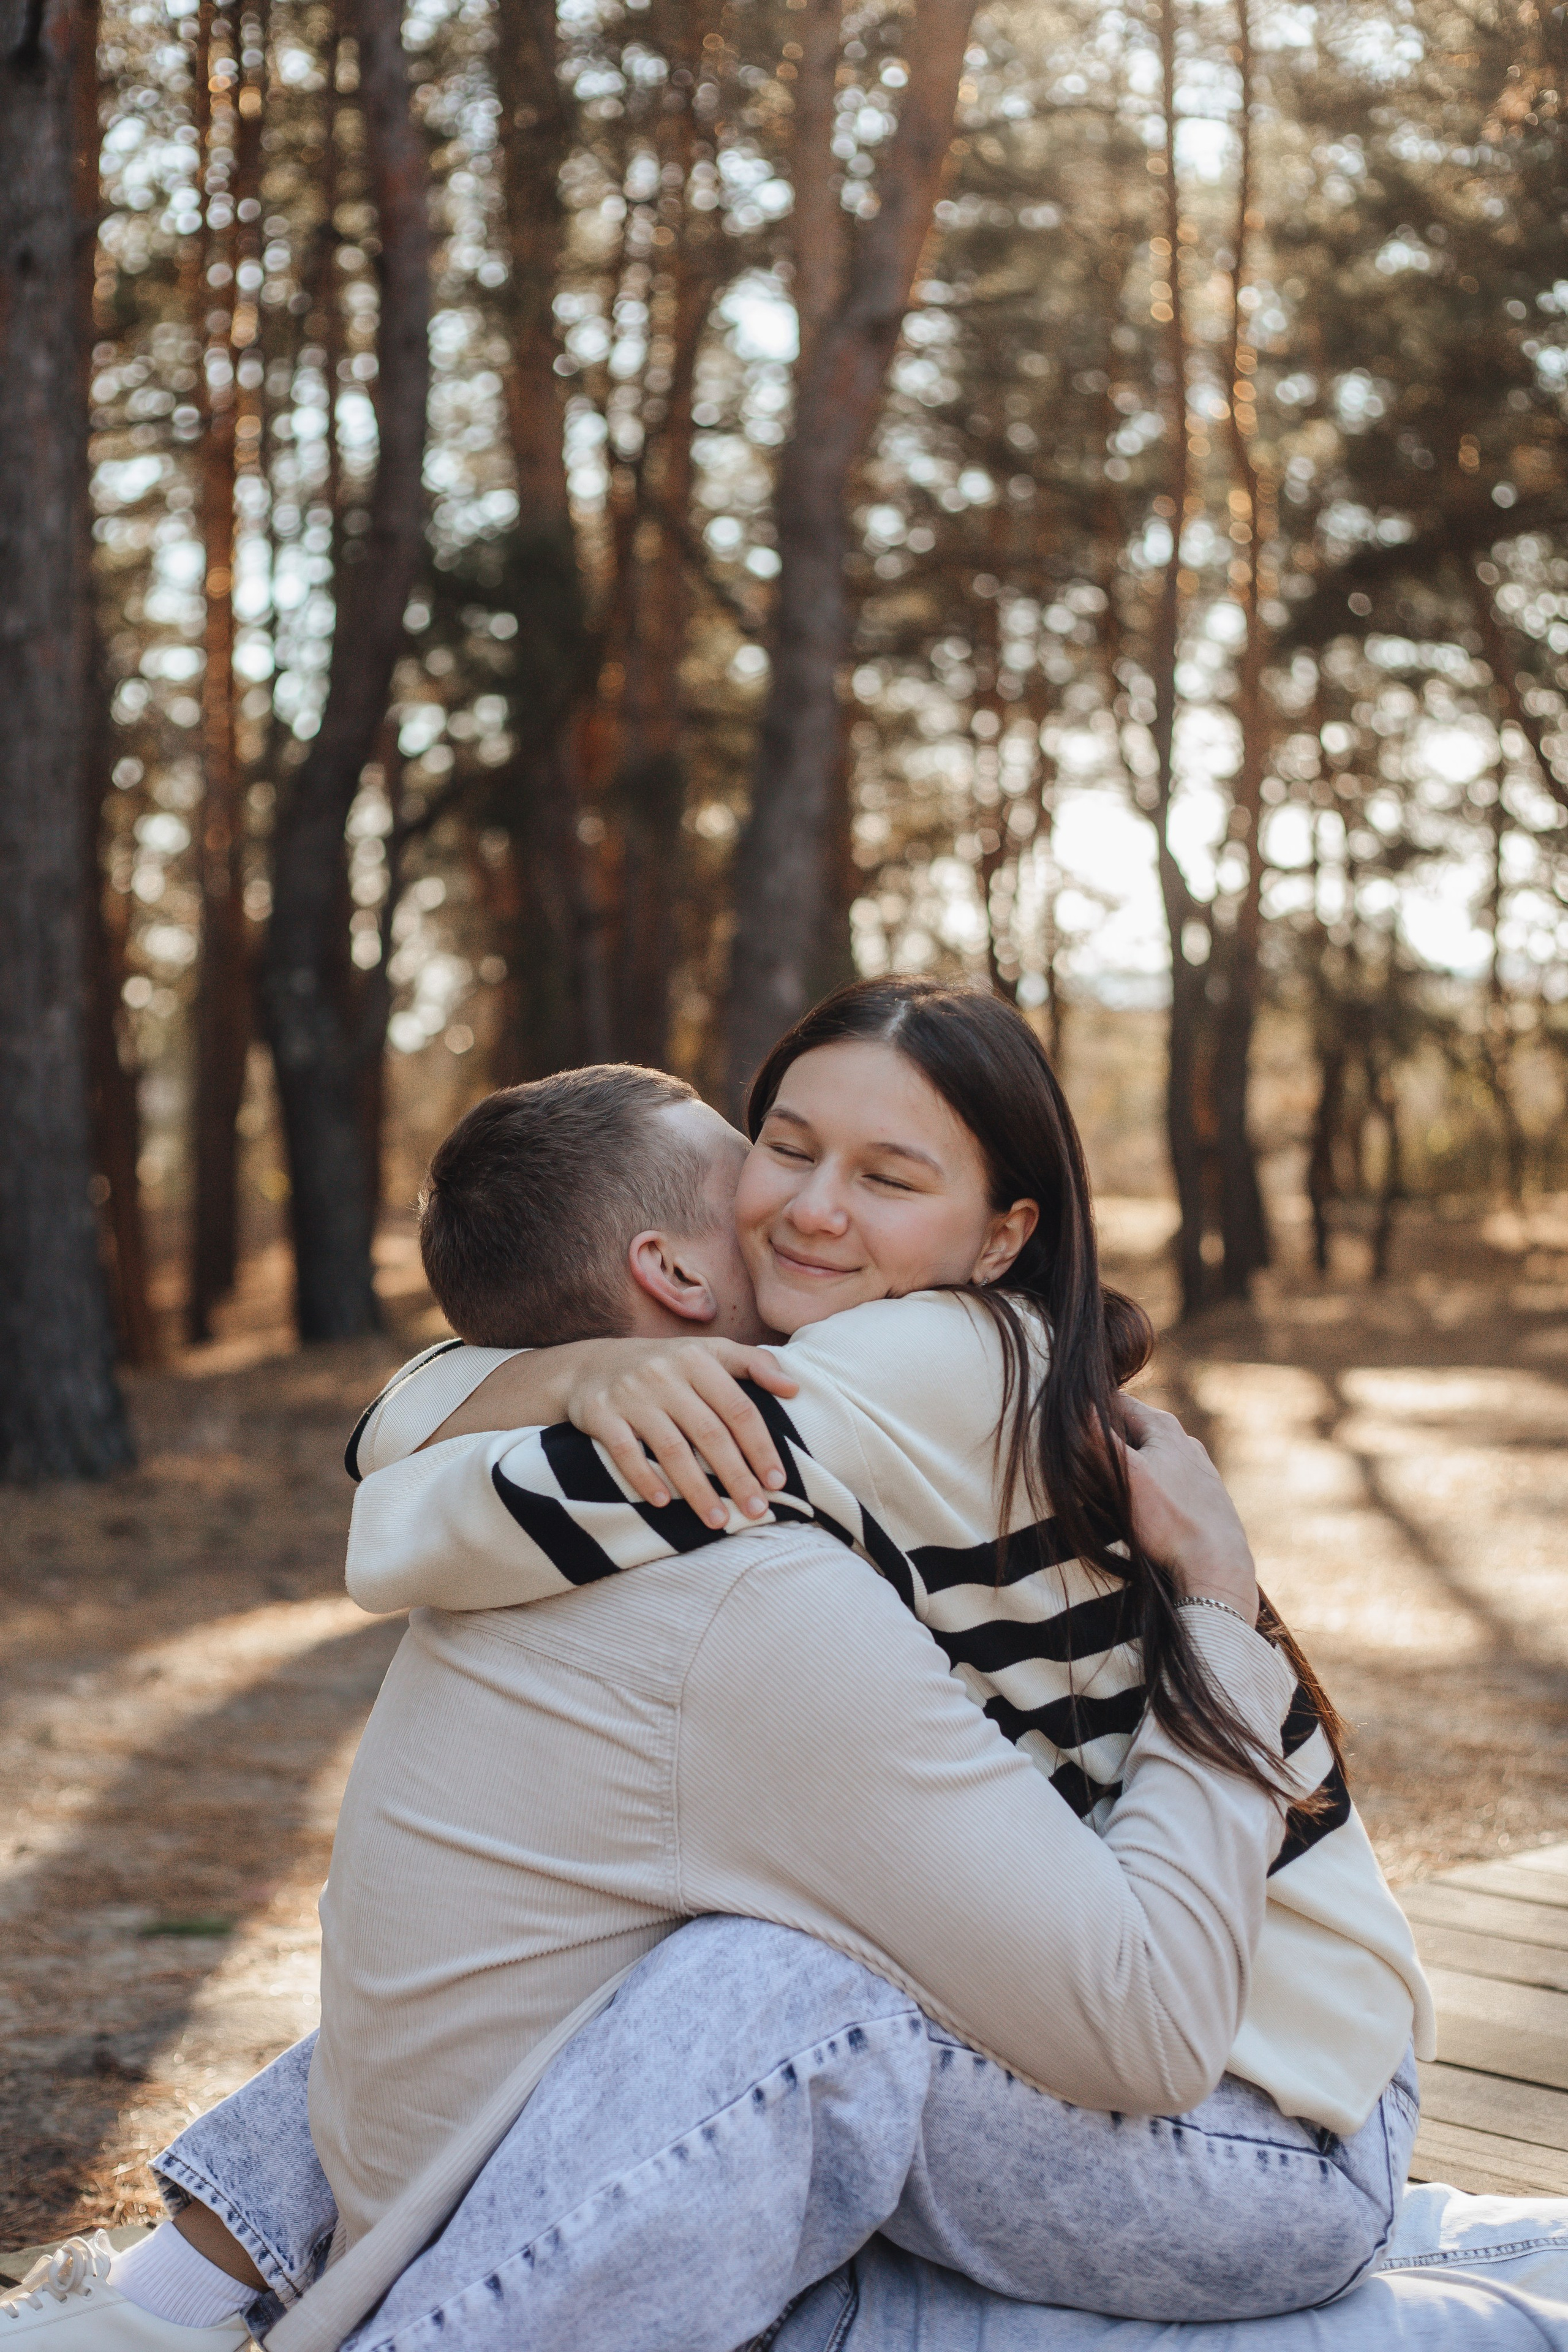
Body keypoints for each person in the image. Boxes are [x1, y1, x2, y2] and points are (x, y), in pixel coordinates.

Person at [12, 1023, 1565, 2352]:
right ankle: (160, 2301)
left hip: (1266, 2092)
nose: (811, 1213)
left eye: (888, 1179)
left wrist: (538, 1380)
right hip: (1092, 1982)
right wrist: (567, 1371)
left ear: (1000, 1234)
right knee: (578, 1953)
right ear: (683, 1249)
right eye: (783, 1148)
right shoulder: (752, 1422)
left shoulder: (925, 1367)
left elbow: (401, 1511)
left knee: (768, 1997)